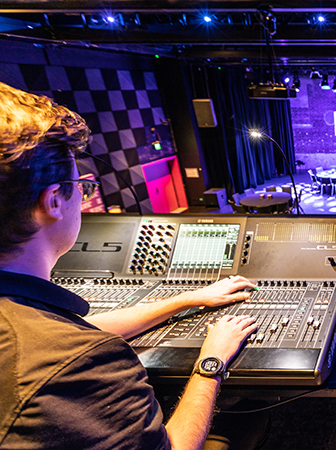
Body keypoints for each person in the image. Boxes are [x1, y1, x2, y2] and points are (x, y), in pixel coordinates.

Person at [0, 81, 259, 449]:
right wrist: (212, 359)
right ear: (54, 200)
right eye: (80, 185)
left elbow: (78, 328)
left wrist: (186, 299)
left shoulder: (30, 328)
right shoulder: (78, 362)